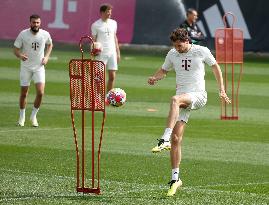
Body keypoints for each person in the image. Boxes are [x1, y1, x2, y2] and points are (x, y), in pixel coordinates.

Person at [148, 28, 230, 196]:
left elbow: (216, 68)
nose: (177, 48)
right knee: (176, 138)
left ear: (187, 41)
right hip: (184, 98)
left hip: (199, 96)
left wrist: (221, 90)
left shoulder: (201, 51)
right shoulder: (172, 54)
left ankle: (163, 139)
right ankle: (175, 179)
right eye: (175, 46)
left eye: (179, 45)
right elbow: (164, 71)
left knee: (174, 100)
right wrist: (154, 77)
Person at [14, 14, 53, 127]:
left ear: (40, 23)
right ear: (30, 23)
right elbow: (16, 49)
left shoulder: (45, 34)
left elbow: (50, 44)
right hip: (26, 67)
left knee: (40, 93)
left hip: (39, 67)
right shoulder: (23, 34)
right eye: (33, 22)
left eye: (37, 23)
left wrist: (46, 57)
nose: (35, 25)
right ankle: (21, 117)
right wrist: (20, 55)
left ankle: (33, 116)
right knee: (24, 93)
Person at [91, 4, 121, 92]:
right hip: (101, 53)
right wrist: (93, 53)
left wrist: (118, 53)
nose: (109, 13)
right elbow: (94, 40)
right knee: (99, 77)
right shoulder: (95, 25)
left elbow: (115, 38)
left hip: (112, 52)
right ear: (102, 12)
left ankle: (108, 97)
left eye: (110, 11)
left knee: (112, 76)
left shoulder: (113, 23)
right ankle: (98, 98)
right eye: (107, 11)